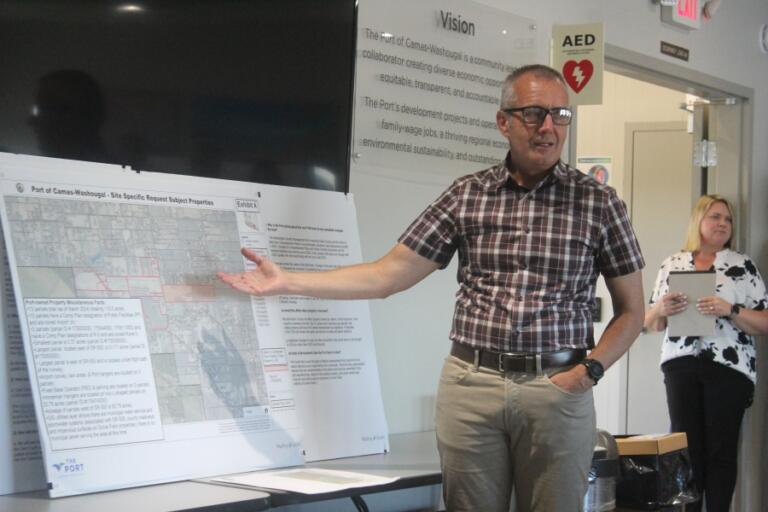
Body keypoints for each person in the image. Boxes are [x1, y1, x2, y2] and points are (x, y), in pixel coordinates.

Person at [218, 64, 646, 512]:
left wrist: (589, 373)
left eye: (559, 115)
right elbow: (387, 275)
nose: (548, 127)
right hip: (472, 386)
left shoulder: (599, 203)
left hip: (558, 387)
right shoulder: (467, 194)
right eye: (533, 114)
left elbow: (632, 311)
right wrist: (289, 281)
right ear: (504, 122)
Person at [644, 194, 768, 512]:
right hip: (680, 365)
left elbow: (764, 323)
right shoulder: (672, 264)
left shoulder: (742, 265)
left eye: (727, 219)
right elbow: (651, 323)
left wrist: (731, 309)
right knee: (685, 449)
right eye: (715, 216)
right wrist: (662, 307)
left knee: (721, 451)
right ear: (698, 221)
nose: (722, 224)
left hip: (730, 369)